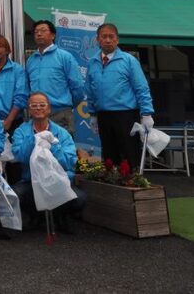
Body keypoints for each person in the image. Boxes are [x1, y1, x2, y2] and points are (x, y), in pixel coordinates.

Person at [11, 92, 86, 233]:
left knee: (80, 199)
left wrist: (54, 145)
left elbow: (69, 163)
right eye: (34, 105)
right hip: (31, 180)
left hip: (58, 180)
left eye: (42, 105)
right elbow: (20, 157)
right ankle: (35, 216)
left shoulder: (62, 133)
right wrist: (34, 139)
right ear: (29, 110)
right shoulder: (21, 131)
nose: (38, 108)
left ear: (49, 109)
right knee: (15, 194)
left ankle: (61, 217)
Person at [85, 23, 155, 170]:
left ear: (117, 40)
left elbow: (141, 88)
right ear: (98, 39)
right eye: (104, 36)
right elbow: (90, 90)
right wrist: (93, 114)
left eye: (112, 36)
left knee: (129, 154)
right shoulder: (92, 62)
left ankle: (132, 183)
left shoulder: (128, 61)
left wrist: (146, 113)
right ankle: (112, 187)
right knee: (110, 156)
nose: (108, 40)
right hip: (103, 115)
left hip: (126, 115)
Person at [25, 20, 84, 133]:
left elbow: (78, 87)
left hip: (60, 112)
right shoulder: (31, 60)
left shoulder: (65, 57)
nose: (39, 34)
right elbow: (28, 87)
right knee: (38, 150)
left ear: (53, 35)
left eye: (43, 31)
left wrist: (67, 105)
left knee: (62, 149)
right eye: (36, 32)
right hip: (36, 115)